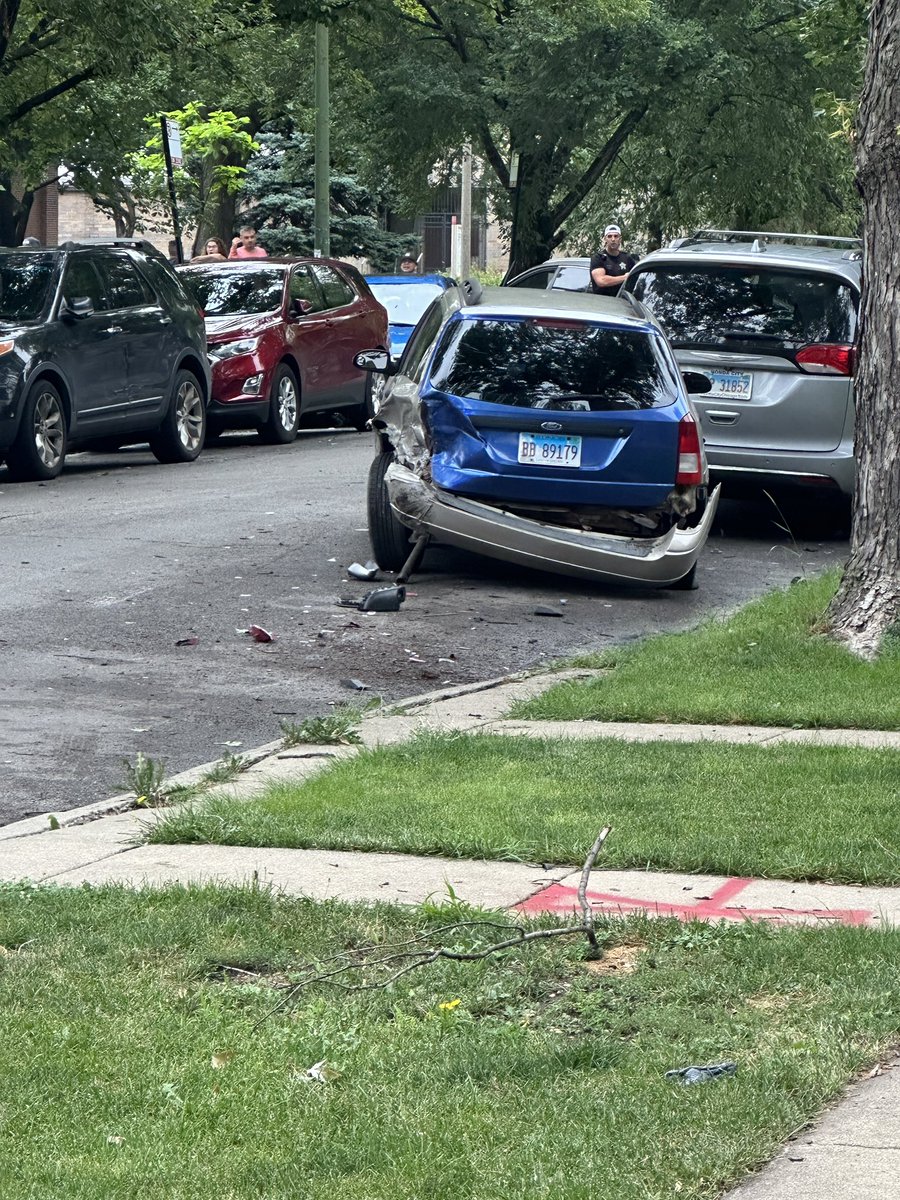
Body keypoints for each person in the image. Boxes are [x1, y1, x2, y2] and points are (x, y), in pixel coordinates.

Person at [590, 224, 637, 297]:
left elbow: (636, 279)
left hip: (623, 302)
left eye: (616, 236)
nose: (613, 239)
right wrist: (625, 277)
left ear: (620, 239)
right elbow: (601, 281)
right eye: (609, 236)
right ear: (605, 239)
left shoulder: (627, 258)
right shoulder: (598, 258)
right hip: (602, 302)